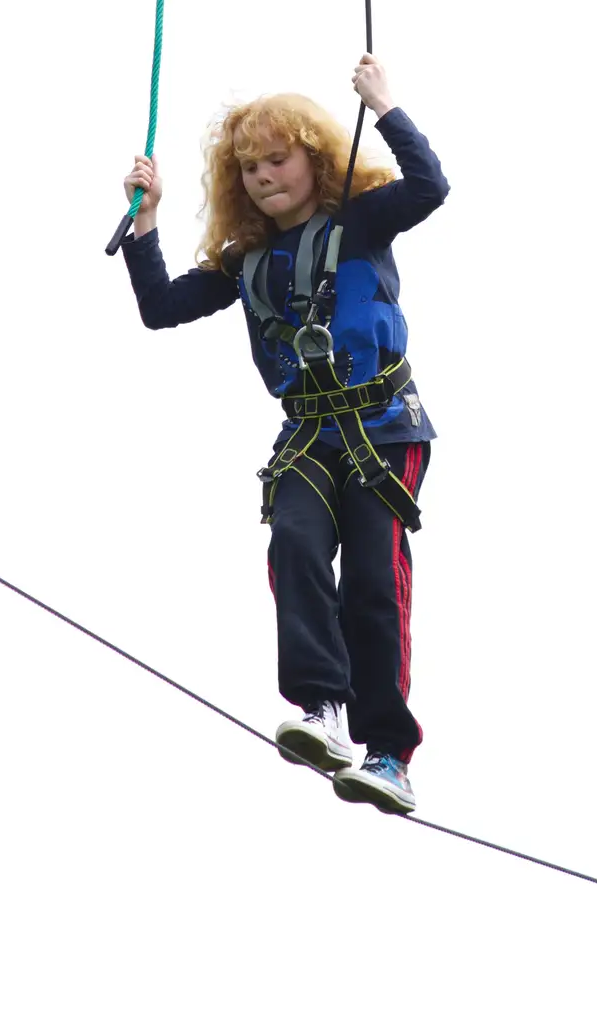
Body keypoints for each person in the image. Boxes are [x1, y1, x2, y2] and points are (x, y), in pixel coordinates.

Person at [121, 53, 449, 814]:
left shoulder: (359, 223)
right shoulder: (246, 264)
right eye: (251, 167)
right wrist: (146, 220)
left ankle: (389, 754)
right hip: (305, 438)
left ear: (314, 159)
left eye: (279, 158)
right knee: (294, 545)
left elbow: (429, 188)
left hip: (380, 430)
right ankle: (320, 710)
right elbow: (161, 307)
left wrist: (386, 105)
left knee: (373, 580)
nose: (265, 176)